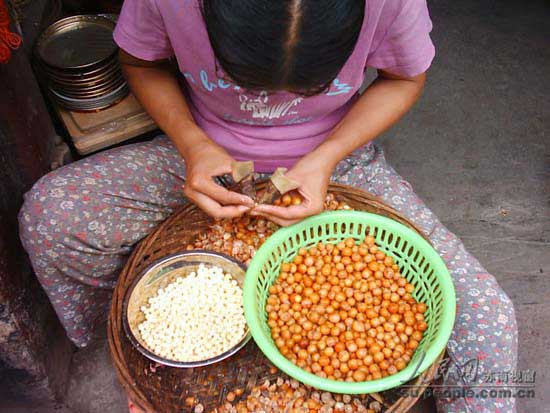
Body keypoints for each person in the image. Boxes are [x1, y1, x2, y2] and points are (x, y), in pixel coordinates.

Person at [19, 0, 517, 412]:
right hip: (202, 155)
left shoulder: (389, 4)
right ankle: (134, 342)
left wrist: (323, 158)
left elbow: (404, 78)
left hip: (338, 162)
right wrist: (193, 145)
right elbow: (140, 63)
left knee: (489, 325)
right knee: (50, 216)